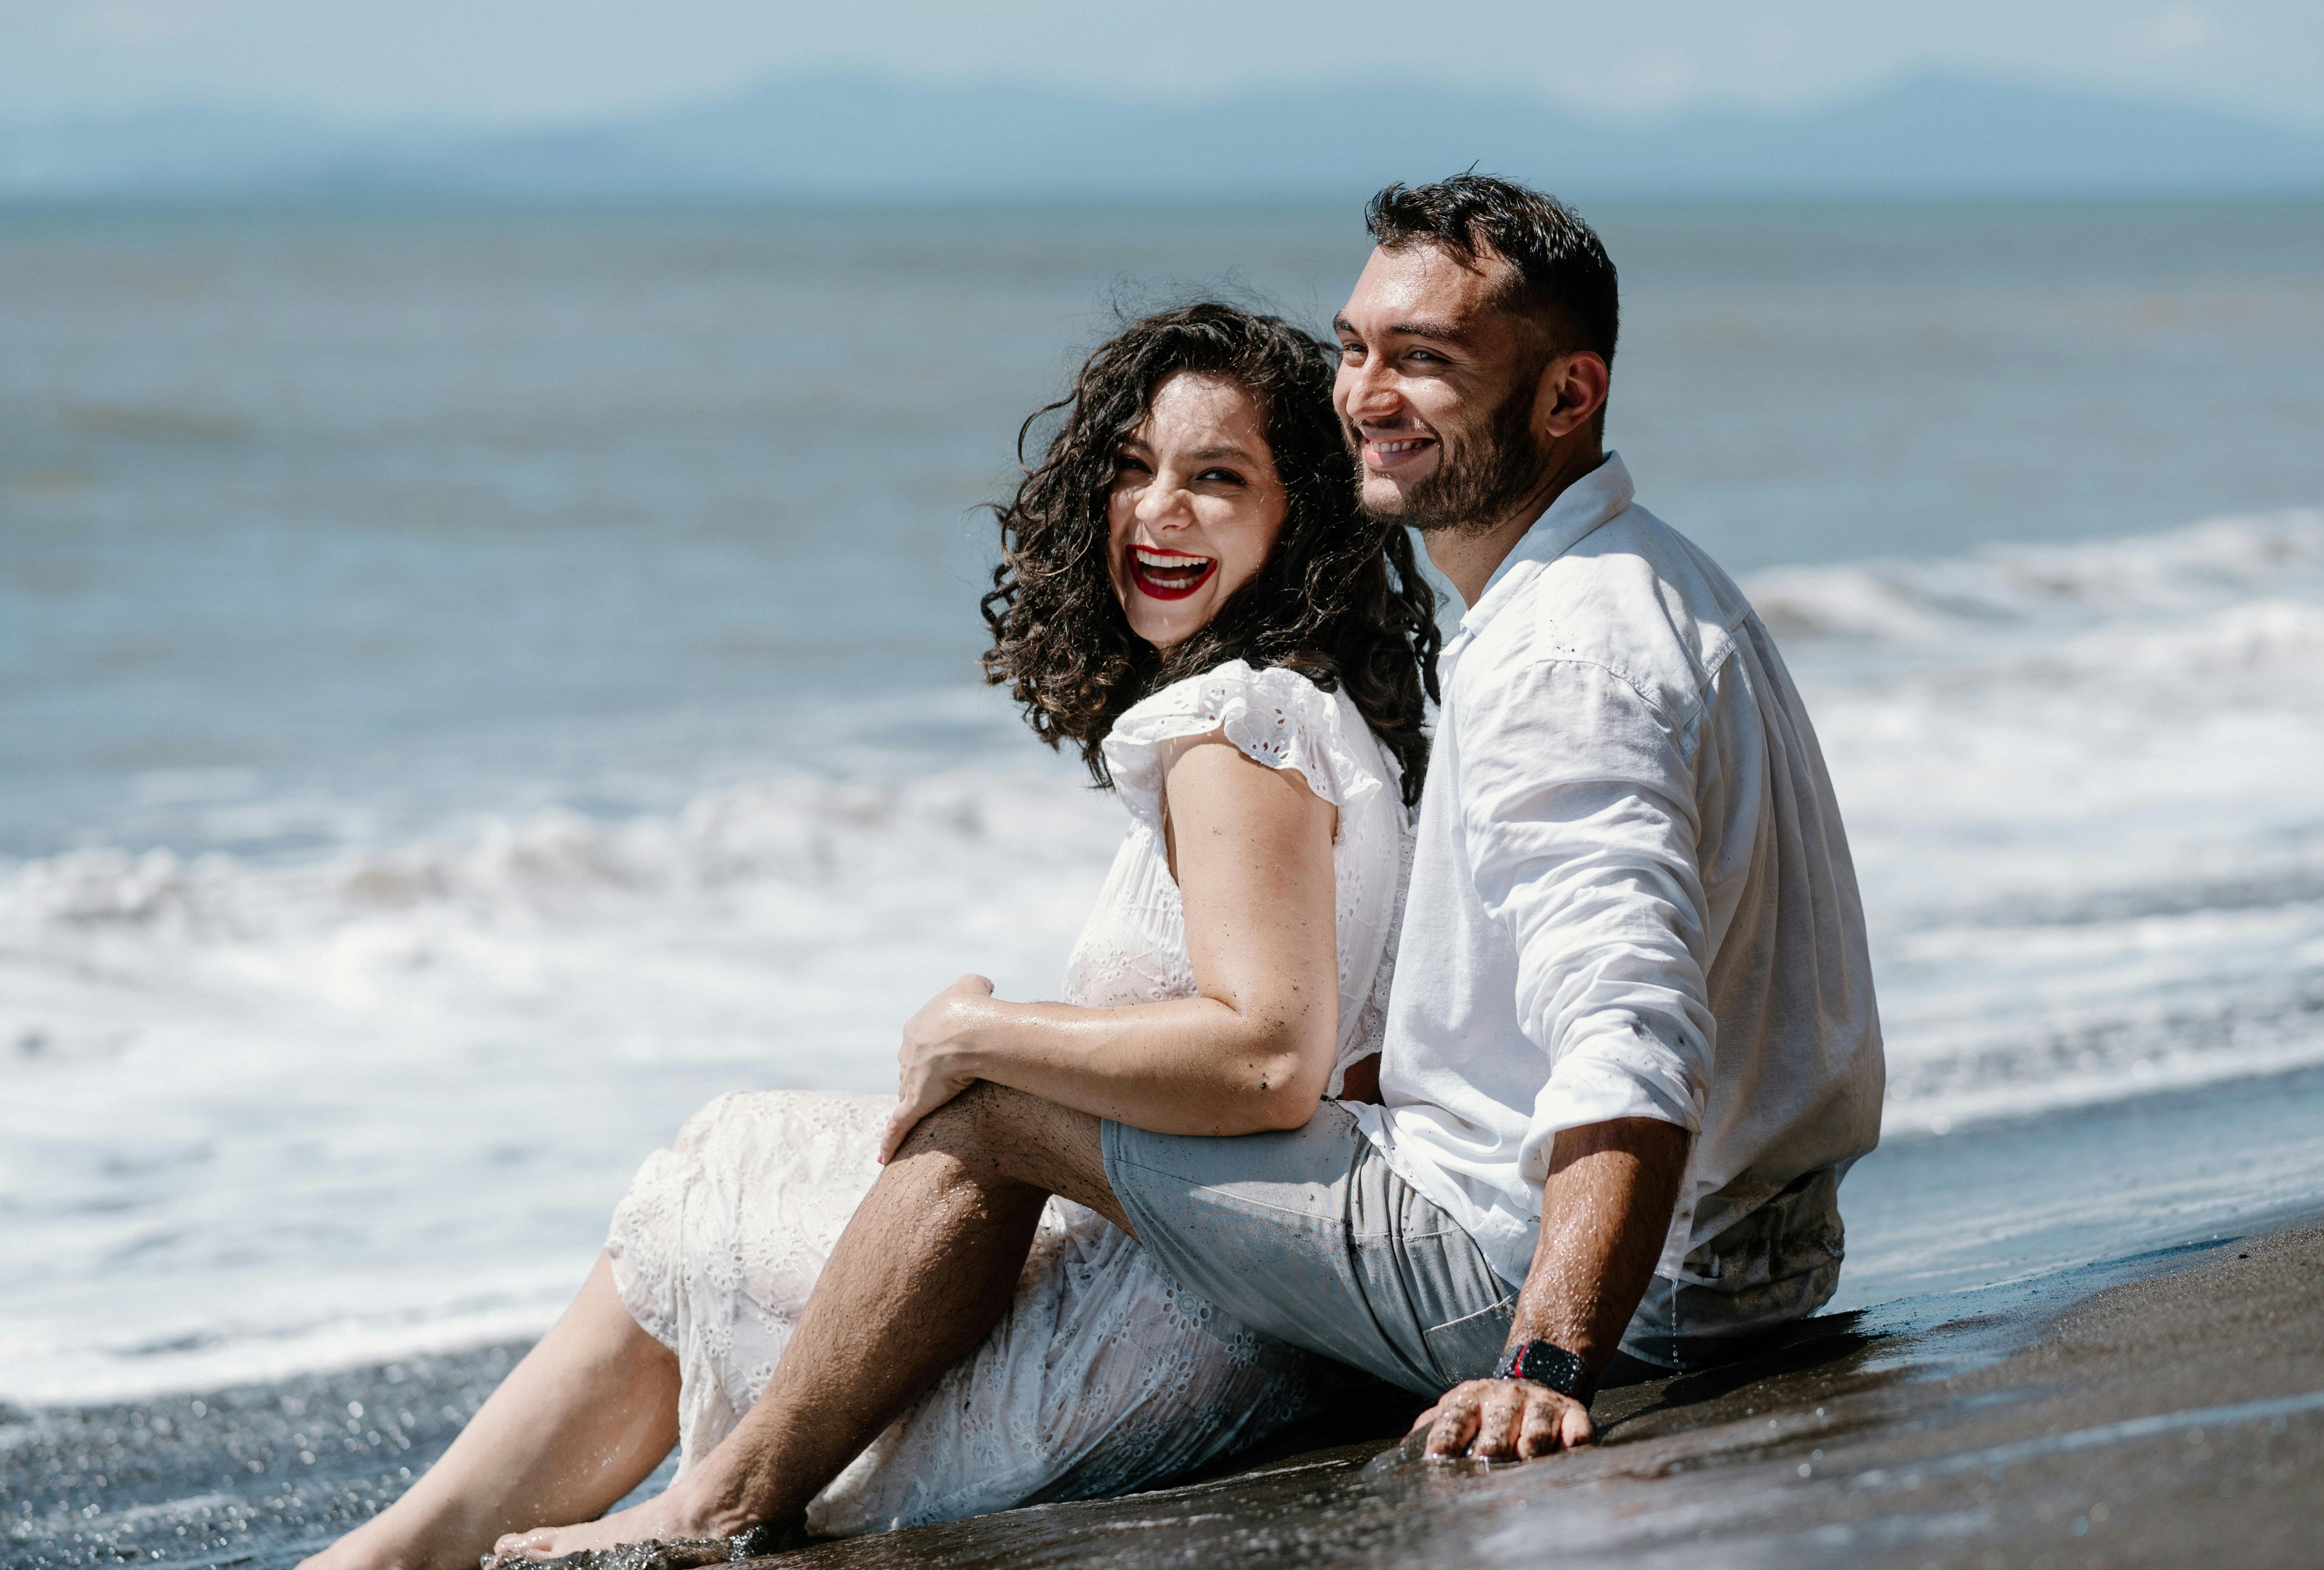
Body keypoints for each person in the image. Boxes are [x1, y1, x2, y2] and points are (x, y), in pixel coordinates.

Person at [491, 174, 1886, 1561]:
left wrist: (1547, 1365)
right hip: (1756, 1254)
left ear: (1568, 396)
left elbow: (1628, 1034)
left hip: (1569, 1280)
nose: (1366, 394)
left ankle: (721, 1504)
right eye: (1354, 349)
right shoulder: (1651, 580)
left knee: (990, 1102)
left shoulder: (1562, 656)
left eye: (1428, 362)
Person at [296, 302, 1440, 1569]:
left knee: (719, 1176)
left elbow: (1270, 1058)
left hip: (1152, 1327)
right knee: (738, 1150)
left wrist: (979, 1030)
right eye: (1130, 469)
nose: (1157, 511)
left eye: (1217, 479)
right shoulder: (1324, 725)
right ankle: (425, 1545)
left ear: (1304, 521)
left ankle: (454, 1544)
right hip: (1224, 1290)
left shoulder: (1238, 728)